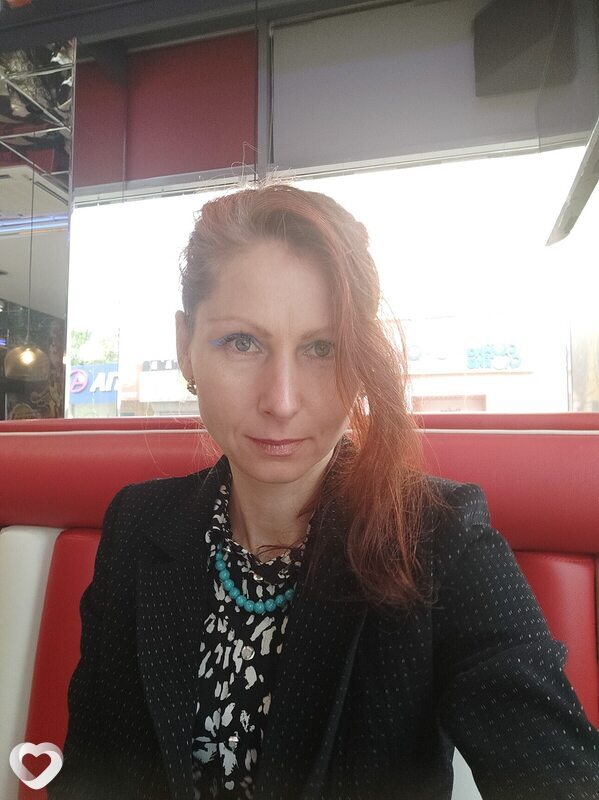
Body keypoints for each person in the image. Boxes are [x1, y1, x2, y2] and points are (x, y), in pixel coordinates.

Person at [48, 183, 599, 800]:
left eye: (322, 348)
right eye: (242, 342)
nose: (282, 401)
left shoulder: (440, 540)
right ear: (185, 348)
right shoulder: (137, 526)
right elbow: (88, 774)